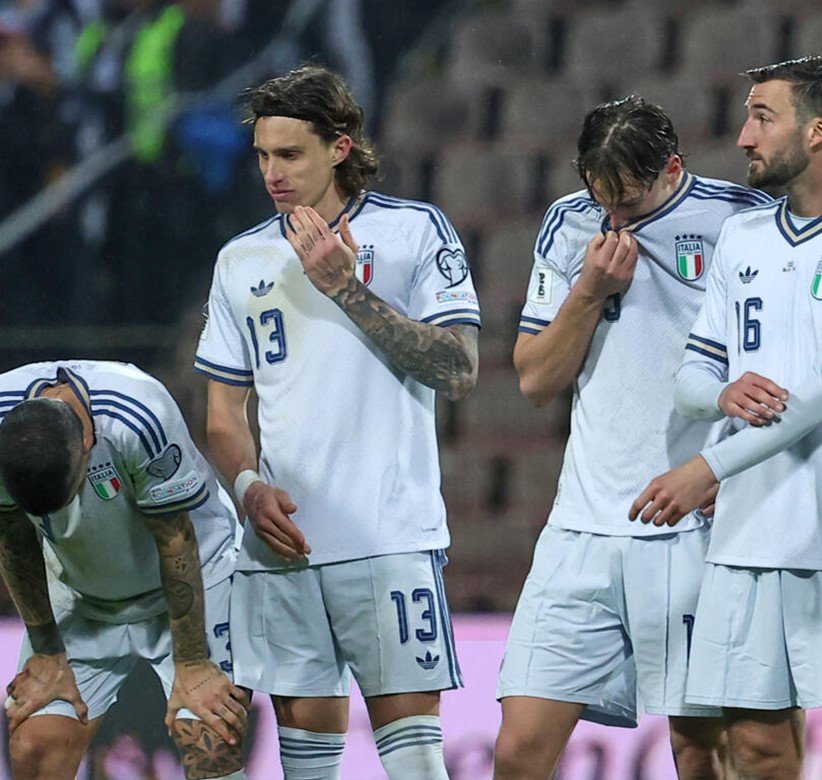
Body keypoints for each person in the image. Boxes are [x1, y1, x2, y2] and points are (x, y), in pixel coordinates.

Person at [630, 55, 822, 779]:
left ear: (819, 130)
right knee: (759, 750)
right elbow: (692, 380)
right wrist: (721, 395)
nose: (743, 136)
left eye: (763, 117)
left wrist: (706, 466)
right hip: (745, 540)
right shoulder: (742, 239)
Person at [194, 65, 479, 780]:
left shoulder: (415, 231)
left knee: (415, 762)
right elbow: (224, 413)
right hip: (282, 545)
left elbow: (460, 369)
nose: (272, 173)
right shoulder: (240, 261)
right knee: (305, 765)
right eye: (263, 156)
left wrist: (345, 288)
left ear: (340, 147)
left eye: (289, 155)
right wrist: (250, 487)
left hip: (388, 538)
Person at [493, 95, 771, 779]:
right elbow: (534, 379)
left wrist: (733, 469)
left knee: (700, 748)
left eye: (630, 200)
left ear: (673, 167)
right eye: (601, 197)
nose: (613, 217)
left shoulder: (744, 224)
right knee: (519, 749)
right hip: (582, 526)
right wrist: (588, 291)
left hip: (695, 525)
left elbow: (786, 373)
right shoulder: (568, 224)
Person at [0, 360, 246, 779]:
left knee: (209, 741)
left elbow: (175, 540)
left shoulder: (138, 414)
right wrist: (46, 652)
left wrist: (192, 664)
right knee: (33, 748)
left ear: (88, 441)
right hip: (82, 594)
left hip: (196, 575)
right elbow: (12, 535)